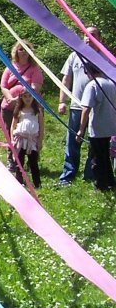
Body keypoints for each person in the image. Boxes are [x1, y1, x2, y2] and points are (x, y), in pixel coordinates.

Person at [58, 27, 99, 185]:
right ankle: (68, 175)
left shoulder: (103, 57)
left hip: (97, 107)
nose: (89, 38)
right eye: (86, 35)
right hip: (76, 106)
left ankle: (90, 174)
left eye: (93, 35)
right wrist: (62, 101)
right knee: (72, 142)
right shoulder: (74, 56)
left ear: (99, 39)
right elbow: (66, 80)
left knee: (94, 141)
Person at [0, 41, 43, 163]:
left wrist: (21, 100)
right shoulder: (10, 67)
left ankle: (32, 160)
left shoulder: (35, 68)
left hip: (28, 108)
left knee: (31, 133)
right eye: (21, 49)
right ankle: (12, 161)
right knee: (11, 134)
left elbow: (35, 87)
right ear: (16, 51)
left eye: (26, 49)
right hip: (9, 107)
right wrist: (10, 99)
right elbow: (3, 86)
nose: (24, 52)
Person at [77, 65, 116, 191]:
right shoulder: (110, 84)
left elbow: (86, 108)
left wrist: (81, 130)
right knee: (105, 155)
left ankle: (101, 184)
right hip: (110, 126)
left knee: (97, 156)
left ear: (89, 72)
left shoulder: (92, 85)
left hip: (98, 128)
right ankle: (111, 181)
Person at [10, 89, 43, 188]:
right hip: (20, 140)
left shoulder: (38, 111)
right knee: (19, 162)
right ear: (21, 98)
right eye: (25, 96)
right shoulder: (19, 111)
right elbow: (12, 126)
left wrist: (40, 141)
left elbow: (41, 127)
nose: (28, 98)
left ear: (33, 97)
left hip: (32, 141)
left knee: (33, 162)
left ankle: (37, 183)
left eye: (30, 96)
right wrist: (12, 140)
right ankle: (19, 182)